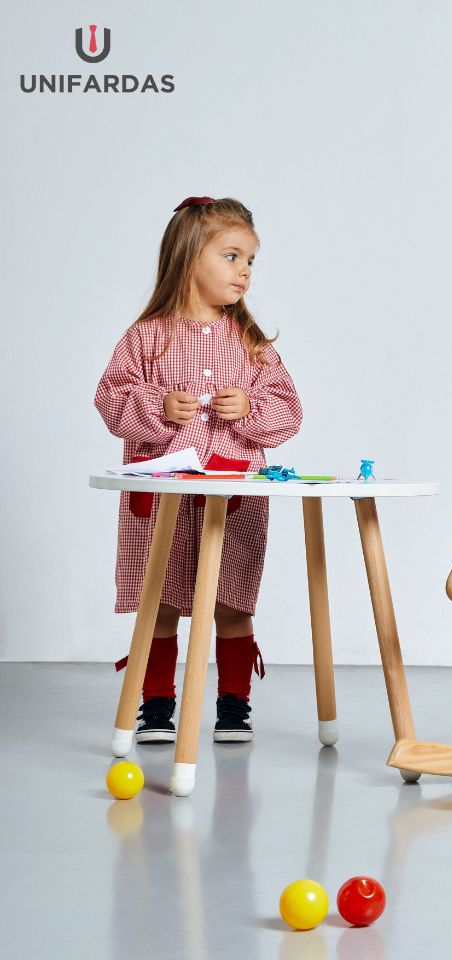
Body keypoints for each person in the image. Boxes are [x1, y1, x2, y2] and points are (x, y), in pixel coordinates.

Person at [95, 196, 303, 743]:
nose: (245, 272)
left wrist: (251, 409)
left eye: (251, 261)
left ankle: (234, 706)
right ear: (190, 258)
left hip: (231, 497)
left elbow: (289, 413)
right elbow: (110, 400)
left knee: (231, 600)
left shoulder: (252, 344)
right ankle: (157, 706)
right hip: (162, 497)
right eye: (233, 256)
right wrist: (156, 407)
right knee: (159, 599)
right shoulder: (147, 337)